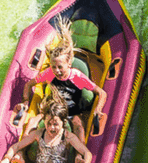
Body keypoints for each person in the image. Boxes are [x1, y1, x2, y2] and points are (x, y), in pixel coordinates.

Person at [17, 16, 107, 152]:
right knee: (32, 121)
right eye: (54, 67)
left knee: (78, 126)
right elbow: (29, 84)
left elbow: (101, 92)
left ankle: (79, 156)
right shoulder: (49, 73)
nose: (57, 71)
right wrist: (25, 101)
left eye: (60, 67)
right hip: (52, 110)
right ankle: (21, 153)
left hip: (72, 111)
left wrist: (98, 109)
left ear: (68, 64)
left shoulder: (77, 76)